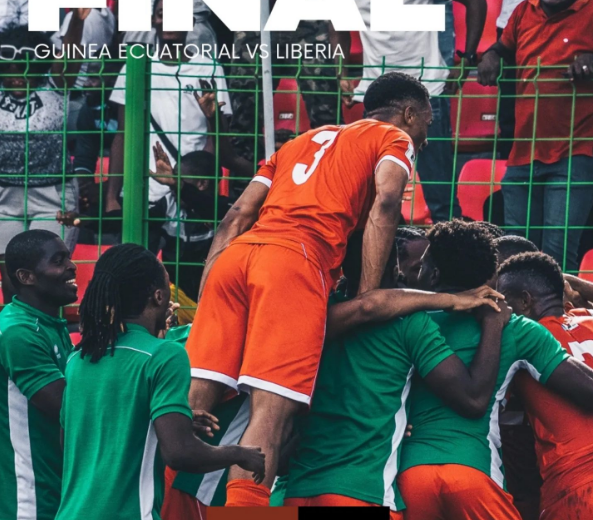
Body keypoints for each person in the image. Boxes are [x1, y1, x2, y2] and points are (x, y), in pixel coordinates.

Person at [186, 72, 432, 507]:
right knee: (270, 418)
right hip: (293, 264)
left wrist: (207, 296)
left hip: (235, 259)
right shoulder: (393, 137)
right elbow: (387, 202)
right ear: (409, 114)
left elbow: (237, 215)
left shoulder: (301, 140)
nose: (425, 140)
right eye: (426, 126)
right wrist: (366, 295)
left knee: (192, 410)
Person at [284, 238, 510, 517]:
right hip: (363, 492)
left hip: (297, 491)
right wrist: (493, 325)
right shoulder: (410, 323)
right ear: (395, 269)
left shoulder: (318, 316)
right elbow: (472, 399)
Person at [398, 220, 593, 520]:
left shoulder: (401, 323)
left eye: (421, 266)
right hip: (475, 473)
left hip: (407, 475)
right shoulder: (516, 327)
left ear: (434, 276)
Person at [55, 243, 265, 520]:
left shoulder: (78, 356)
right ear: (158, 296)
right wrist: (239, 454)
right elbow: (180, 453)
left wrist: (162, 423)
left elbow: (72, 440)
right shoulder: (164, 354)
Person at [333, 0, 487, 222]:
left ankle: (449, 244)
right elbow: (336, 21)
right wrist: (342, 72)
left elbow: (476, 3)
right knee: (372, 201)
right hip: (378, 99)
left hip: (426, 93)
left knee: (442, 200)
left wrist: (468, 58)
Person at [106, 0, 232, 251]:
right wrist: (112, 197)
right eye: (162, 14)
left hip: (190, 195)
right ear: (153, 20)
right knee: (137, 267)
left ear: (191, 23)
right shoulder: (135, 67)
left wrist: (197, 185)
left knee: (187, 271)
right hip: (144, 194)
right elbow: (122, 134)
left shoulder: (209, 67)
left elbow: (216, 135)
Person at [477, 0, 593, 272]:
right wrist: (491, 55)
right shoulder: (523, 12)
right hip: (523, 154)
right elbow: (502, 48)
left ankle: (557, 303)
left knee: (557, 257)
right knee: (516, 256)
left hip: (575, 151)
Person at [0, 13, 89, 303]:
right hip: (4, 195)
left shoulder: (55, 87)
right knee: (12, 278)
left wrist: (77, 21)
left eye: (24, 66)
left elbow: (70, 60)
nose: (16, 74)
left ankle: (50, 329)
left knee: (51, 274)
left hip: (53, 194)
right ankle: (15, 329)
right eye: (8, 67)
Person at [498, 252, 593, 520]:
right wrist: (565, 280)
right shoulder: (588, 316)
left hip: (576, 487)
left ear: (525, 301)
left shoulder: (516, 337)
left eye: (503, 299)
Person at [0, 230, 78, 520]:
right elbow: (70, 409)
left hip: (56, 487)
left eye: (68, 257)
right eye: (58, 261)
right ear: (26, 277)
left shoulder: (47, 323)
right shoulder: (18, 332)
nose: (72, 266)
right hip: (29, 499)